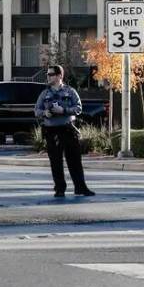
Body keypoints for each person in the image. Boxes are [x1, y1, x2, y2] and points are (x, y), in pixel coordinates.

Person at [34, 65, 94, 198]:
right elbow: (36, 110)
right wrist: (45, 113)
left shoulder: (70, 91)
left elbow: (78, 108)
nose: (48, 77)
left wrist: (64, 111)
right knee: (56, 162)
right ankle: (59, 189)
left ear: (60, 76)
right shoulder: (45, 94)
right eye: (48, 74)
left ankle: (80, 187)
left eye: (51, 74)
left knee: (74, 160)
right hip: (51, 131)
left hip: (67, 129)